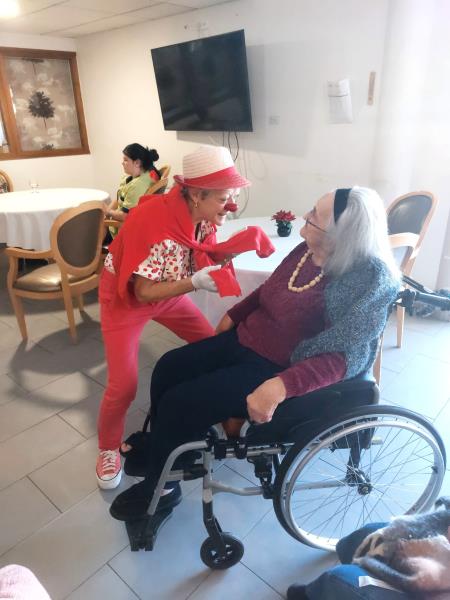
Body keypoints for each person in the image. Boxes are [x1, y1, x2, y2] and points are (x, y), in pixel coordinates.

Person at [109, 185, 401, 521]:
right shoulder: (307, 250)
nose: (304, 220)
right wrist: (235, 314)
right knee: (168, 367)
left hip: (279, 366)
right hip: (247, 338)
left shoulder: (367, 280)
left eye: (314, 218)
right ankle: (172, 449)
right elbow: (269, 290)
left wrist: (281, 386)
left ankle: (162, 491)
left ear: (342, 236)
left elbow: (345, 357)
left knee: (181, 402)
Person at [96, 145, 276, 491]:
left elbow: (200, 257)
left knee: (212, 347)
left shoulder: (201, 218)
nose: (231, 205)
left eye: (233, 196)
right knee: (124, 384)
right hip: (126, 300)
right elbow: (143, 293)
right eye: (224, 197)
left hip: (169, 291)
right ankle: (107, 448)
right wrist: (194, 282)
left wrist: (233, 248)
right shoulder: (153, 223)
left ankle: (213, 412)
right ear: (196, 195)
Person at [105, 143, 161, 238]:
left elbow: (125, 216)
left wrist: (106, 211)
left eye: (125, 160)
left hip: (123, 231)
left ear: (137, 163)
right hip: (128, 224)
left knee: (95, 221)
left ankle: (98, 247)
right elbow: (119, 199)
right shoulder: (150, 173)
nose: (122, 163)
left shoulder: (137, 186)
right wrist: (107, 211)